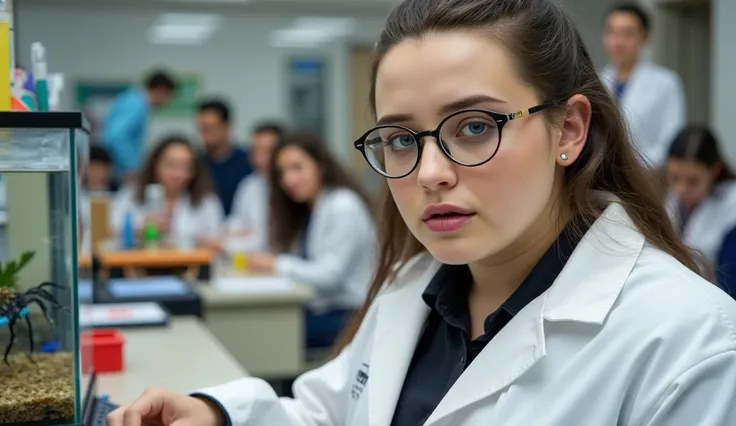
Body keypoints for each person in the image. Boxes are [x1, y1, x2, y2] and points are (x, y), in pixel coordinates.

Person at [108, 0, 736, 425]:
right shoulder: (414, 291)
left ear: (567, 129)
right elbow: (328, 413)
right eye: (402, 139)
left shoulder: (690, 344)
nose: (430, 172)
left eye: (472, 126)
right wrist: (217, 414)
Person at [241, 131, 376, 348]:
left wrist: (276, 264)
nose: (288, 179)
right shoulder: (310, 208)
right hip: (320, 308)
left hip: (347, 315)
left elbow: (329, 276)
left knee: (261, 335)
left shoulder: (343, 206)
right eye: (282, 172)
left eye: (297, 168)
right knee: (256, 325)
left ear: (320, 165)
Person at [601, 2, 686, 168]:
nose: (618, 41)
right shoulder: (598, 81)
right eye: (612, 32)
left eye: (627, 33)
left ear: (645, 37)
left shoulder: (665, 83)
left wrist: (631, 166)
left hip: (647, 176)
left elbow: (671, 142)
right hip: (604, 176)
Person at [109, 135, 223, 248]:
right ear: (155, 164)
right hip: (137, 263)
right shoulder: (131, 194)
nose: (178, 173)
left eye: (185, 166)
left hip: (190, 264)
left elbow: (217, 239)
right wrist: (139, 230)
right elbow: (108, 230)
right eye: (171, 165)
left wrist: (196, 241)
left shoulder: (207, 201)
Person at [665, 126, 736, 297]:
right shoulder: (672, 199)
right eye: (675, 177)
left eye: (693, 181)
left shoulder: (731, 207)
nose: (681, 189)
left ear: (715, 170)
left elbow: (730, 284)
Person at [103, 69, 177, 183]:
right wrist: (131, 167)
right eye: (169, 97)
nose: (167, 102)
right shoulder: (137, 104)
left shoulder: (132, 99)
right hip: (117, 171)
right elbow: (115, 136)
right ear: (162, 90)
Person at [226, 122, 286, 249]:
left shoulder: (289, 186)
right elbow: (237, 222)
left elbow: (267, 238)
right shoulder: (249, 184)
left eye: (268, 151)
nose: (260, 158)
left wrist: (231, 241)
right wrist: (232, 232)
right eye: (255, 150)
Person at [198, 98, 253, 216]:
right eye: (202, 129)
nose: (205, 135)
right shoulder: (196, 164)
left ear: (228, 127)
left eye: (210, 128)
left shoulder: (248, 161)